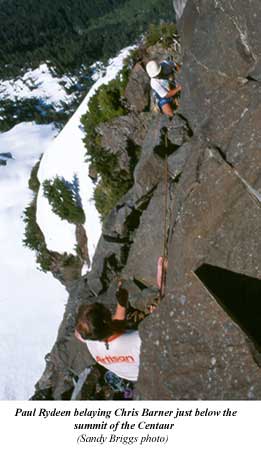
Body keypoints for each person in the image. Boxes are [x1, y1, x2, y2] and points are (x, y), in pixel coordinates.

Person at [74, 283, 141, 383]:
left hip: (131, 375)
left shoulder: (91, 340)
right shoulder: (138, 341)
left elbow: (78, 334)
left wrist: (121, 305)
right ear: (107, 318)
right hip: (147, 370)